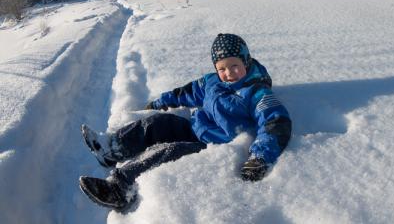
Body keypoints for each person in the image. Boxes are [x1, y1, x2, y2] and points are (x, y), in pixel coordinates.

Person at [79, 33, 292, 210]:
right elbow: (187, 92)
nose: (228, 73)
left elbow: (275, 122)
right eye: (222, 68)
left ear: (245, 61)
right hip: (194, 127)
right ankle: (111, 149)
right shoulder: (212, 81)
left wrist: (260, 157)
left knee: (166, 151)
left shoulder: (256, 92)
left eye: (234, 65)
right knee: (157, 124)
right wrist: (159, 102)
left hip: (214, 145)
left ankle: (119, 189)